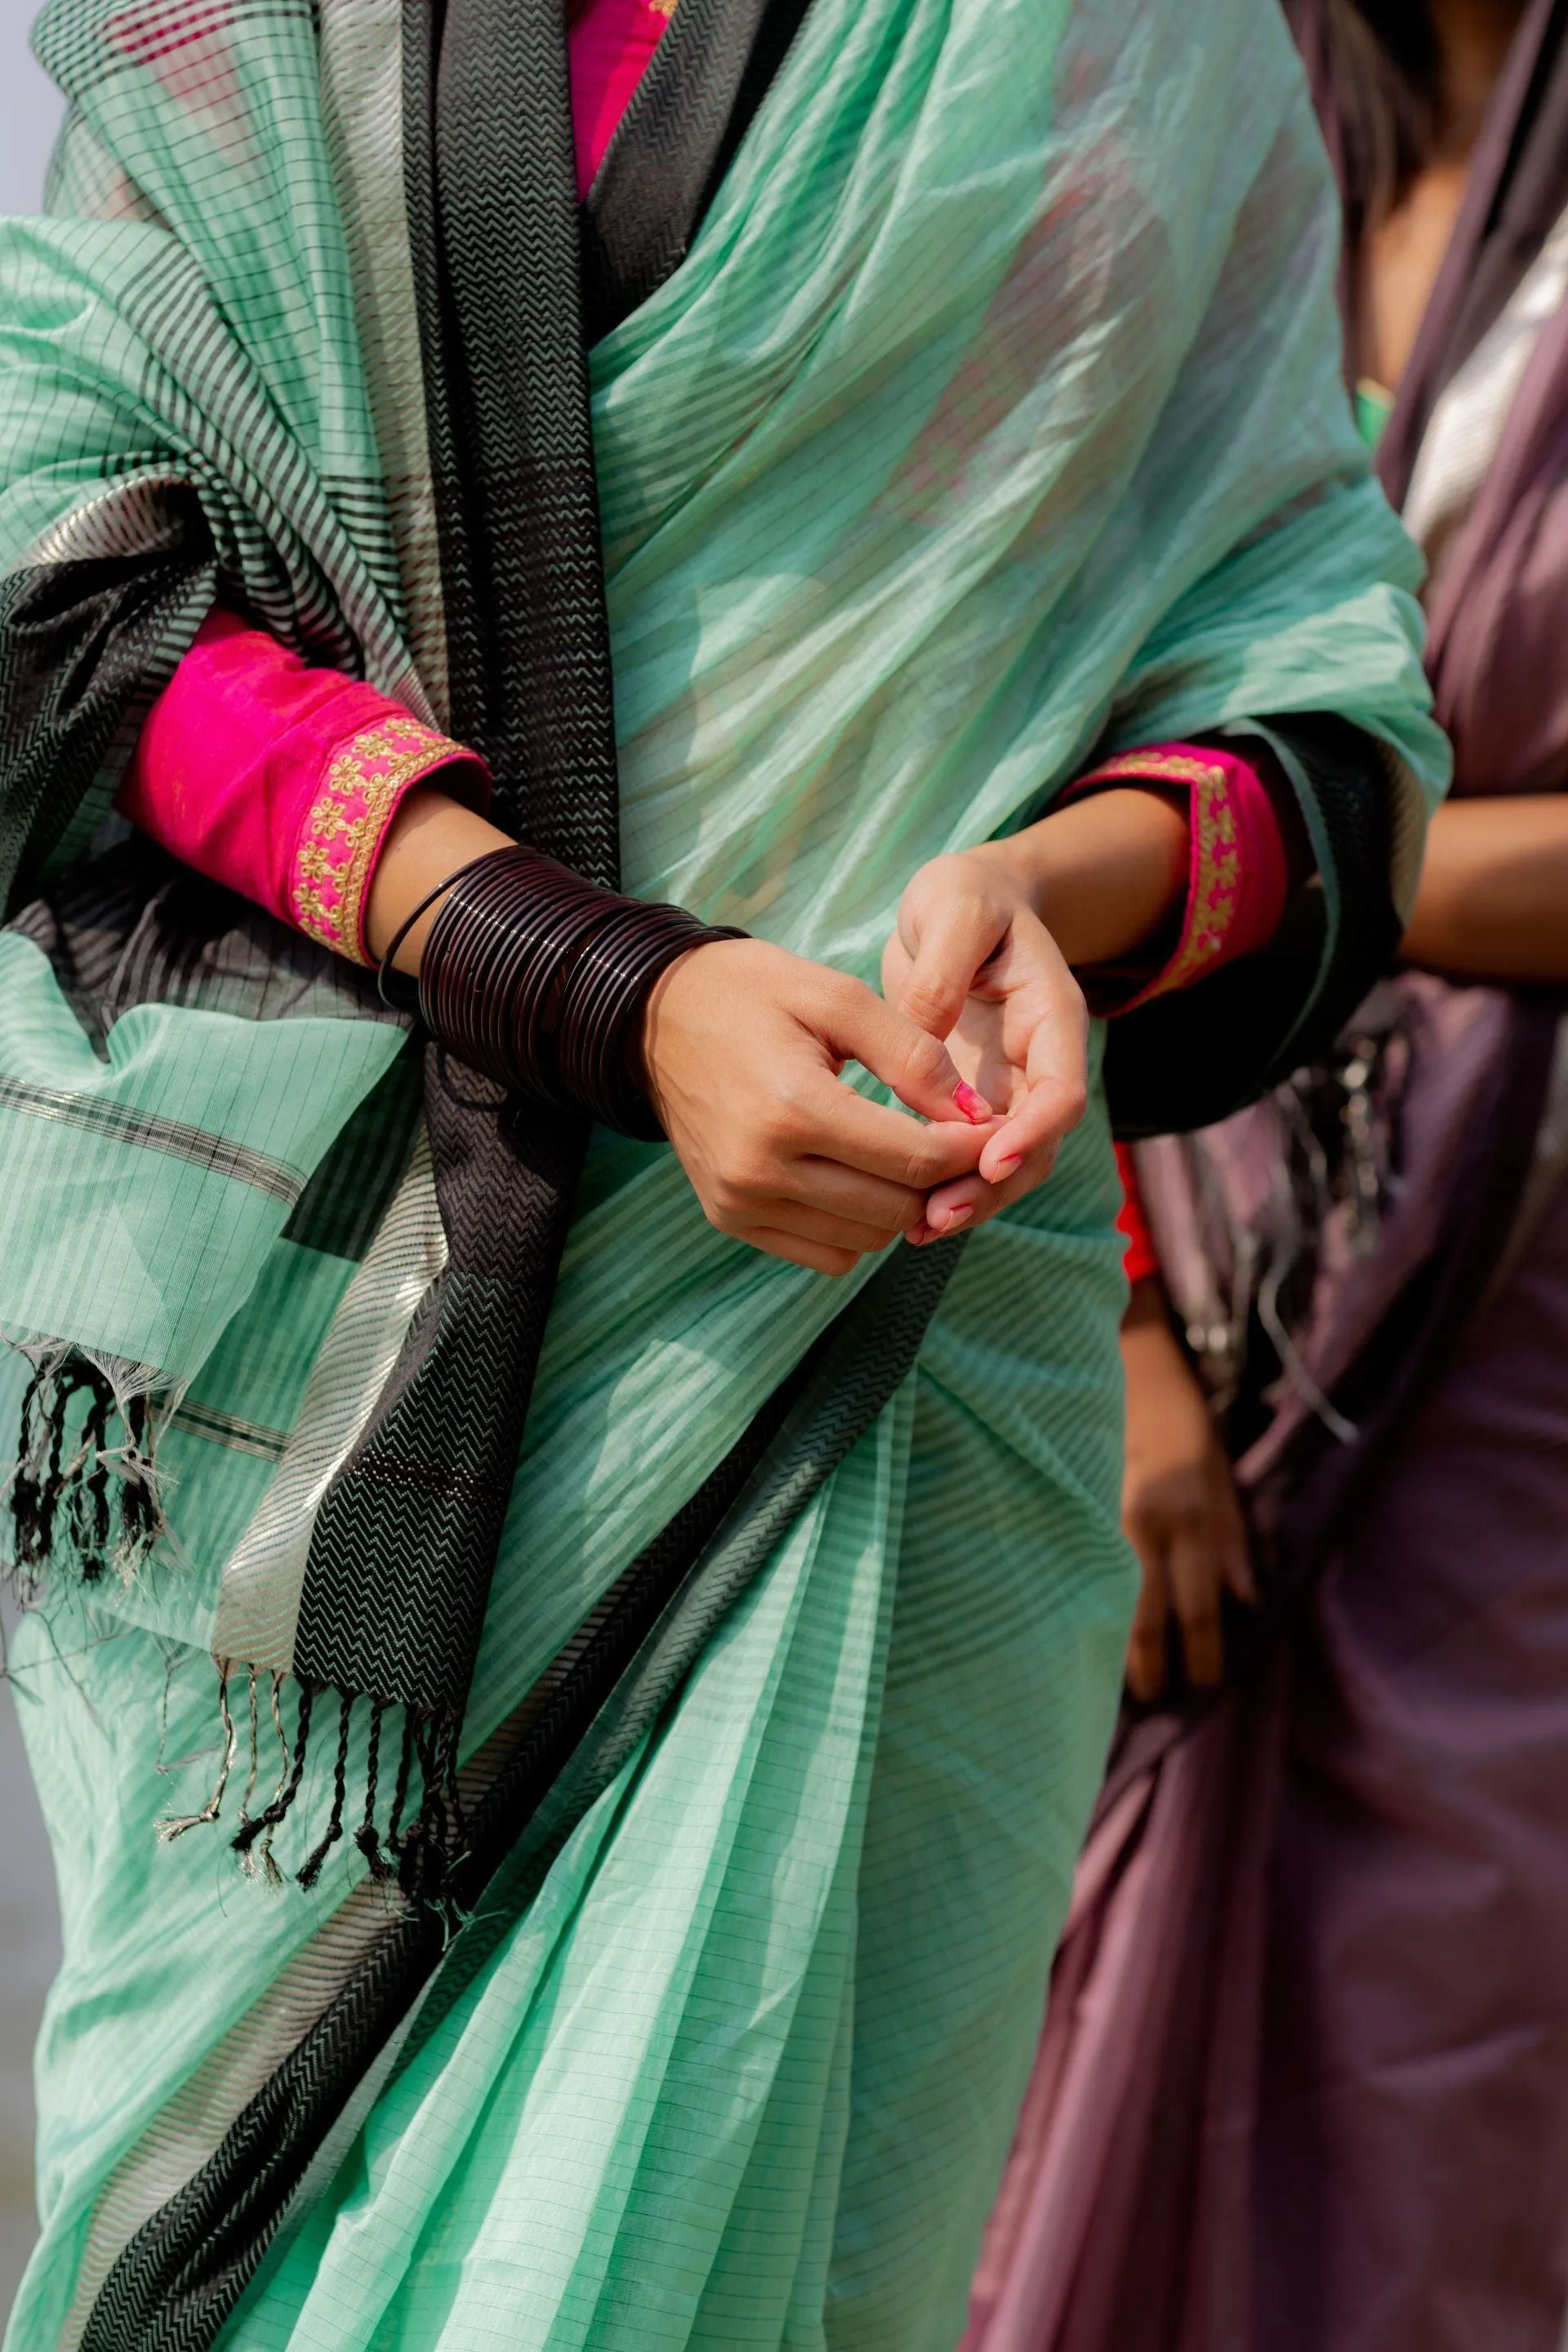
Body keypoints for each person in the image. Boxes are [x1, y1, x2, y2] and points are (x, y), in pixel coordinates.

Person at [0, 0, 1444, 2347]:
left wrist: (1053, 898)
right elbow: (65, 584)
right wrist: (614, 994)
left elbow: (1313, 694)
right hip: (342, 1425)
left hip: (883, 1389)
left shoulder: (1121, 48)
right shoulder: (269, 27)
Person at [964, 2, 1568, 2347]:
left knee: (1448, 2065)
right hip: (1131, 1233)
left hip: (1508, 1337)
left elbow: (1121, 832)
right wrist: (1117, 1332)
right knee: (1042, 2019)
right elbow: (1022, 712)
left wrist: (1289, 866)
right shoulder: (1184, 134)